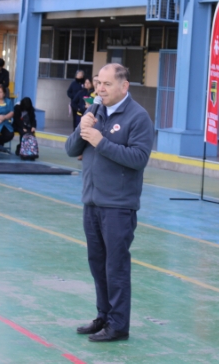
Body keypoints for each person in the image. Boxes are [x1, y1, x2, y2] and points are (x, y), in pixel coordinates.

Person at [64, 64, 154, 343]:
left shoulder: (138, 118)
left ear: (124, 86)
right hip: (92, 201)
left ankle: (118, 325)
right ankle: (103, 316)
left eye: (106, 84)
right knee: (97, 264)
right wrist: (82, 129)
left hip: (118, 205)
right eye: (97, 83)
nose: (100, 89)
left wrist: (101, 142)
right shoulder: (95, 111)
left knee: (115, 266)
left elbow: (139, 158)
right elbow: (70, 150)